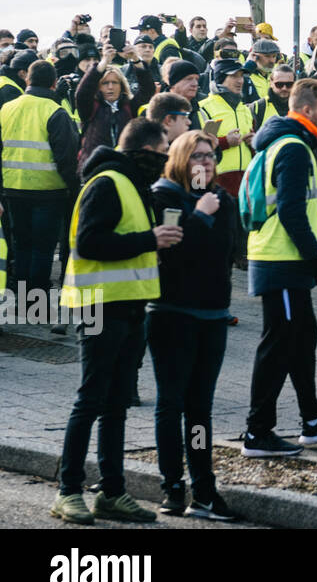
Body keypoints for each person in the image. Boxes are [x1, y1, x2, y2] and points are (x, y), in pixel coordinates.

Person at [51, 118, 182, 525]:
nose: (164, 161)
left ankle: (112, 492)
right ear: (143, 152)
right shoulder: (107, 182)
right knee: (91, 400)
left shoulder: (132, 183)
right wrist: (150, 240)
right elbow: (88, 242)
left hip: (128, 305)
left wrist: (153, 247)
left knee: (116, 405)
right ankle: (68, 491)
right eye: (162, 153)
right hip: (100, 306)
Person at [241, 78, 317, 458]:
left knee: (302, 338)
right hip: (281, 259)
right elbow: (290, 210)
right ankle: (258, 432)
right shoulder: (293, 148)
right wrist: (315, 257)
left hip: (283, 259)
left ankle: (312, 420)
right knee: (280, 343)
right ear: (307, 110)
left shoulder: (292, 143)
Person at [148, 131, 241, 520]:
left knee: (199, 409)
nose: (205, 164)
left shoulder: (222, 198)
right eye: (197, 157)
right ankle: (173, 486)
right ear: (180, 159)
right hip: (172, 314)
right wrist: (200, 215)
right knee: (171, 404)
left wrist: (208, 214)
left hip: (212, 314)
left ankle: (204, 488)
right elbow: (178, 253)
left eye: (211, 156)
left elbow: (229, 249)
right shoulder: (165, 196)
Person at [0, 59, 80, 295]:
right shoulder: (56, 111)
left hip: (13, 188)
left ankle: (22, 296)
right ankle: (37, 300)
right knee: (43, 249)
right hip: (49, 191)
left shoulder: (7, 108)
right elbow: (67, 158)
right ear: (55, 83)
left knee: (22, 245)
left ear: (27, 79)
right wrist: (74, 190)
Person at [76, 44, 156, 168]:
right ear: (98, 86)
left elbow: (148, 90)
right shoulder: (91, 107)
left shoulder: (129, 106)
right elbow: (82, 93)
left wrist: (136, 59)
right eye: (105, 83)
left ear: (121, 85)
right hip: (95, 168)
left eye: (115, 82)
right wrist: (103, 63)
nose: (110, 87)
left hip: (125, 167)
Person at [197, 59, 255, 198]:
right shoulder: (205, 107)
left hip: (245, 183)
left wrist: (253, 142)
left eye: (241, 76)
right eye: (234, 76)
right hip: (216, 183)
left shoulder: (245, 109)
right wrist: (225, 142)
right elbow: (198, 147)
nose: (240, 80)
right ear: (220, 78)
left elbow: (252, 149)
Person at [250, 64, 295, 131]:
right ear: (271, 83)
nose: (284, 88)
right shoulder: (258, 107)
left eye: (289, 84)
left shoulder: (302, 107)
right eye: (279, 84)